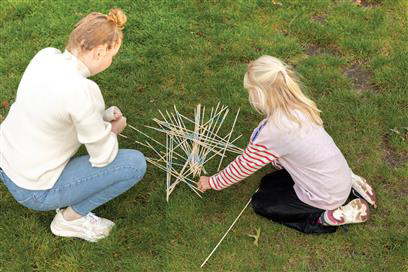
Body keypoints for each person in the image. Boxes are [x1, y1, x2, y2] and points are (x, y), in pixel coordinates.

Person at [0, 8, 147, 242]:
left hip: (6, 161)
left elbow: (56, 109)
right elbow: (103, 157)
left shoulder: (45, 56)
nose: (112, 61)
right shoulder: (84, 91)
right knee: (134, 164)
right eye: (112, 56)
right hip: (33, 189)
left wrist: (102, 117)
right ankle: (70, 220)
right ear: (99, 53)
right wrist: (113, 131)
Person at [198, 56, 377, 234]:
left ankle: (329, 217)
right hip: (336, 176)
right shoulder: (301, 106)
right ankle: (349, 184)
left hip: (325, 195)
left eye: (250, 91)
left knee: (261, 202)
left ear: (260, 94)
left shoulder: (274, 131)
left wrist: (212, 182)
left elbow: (243, 166)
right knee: (268, 182)